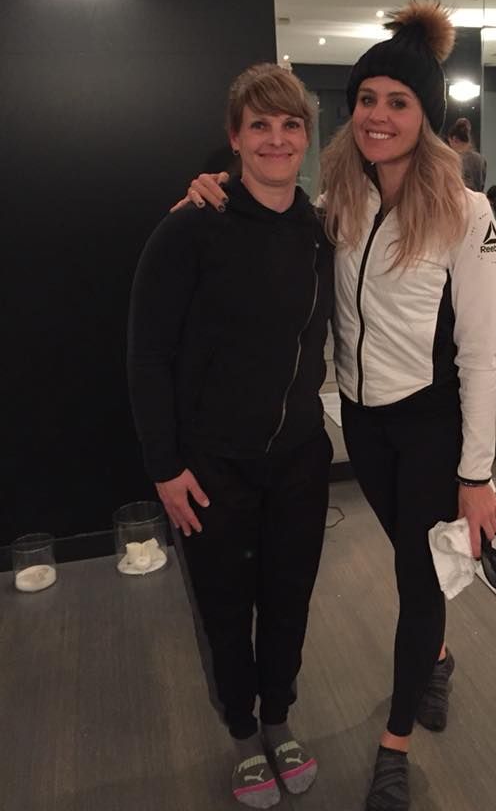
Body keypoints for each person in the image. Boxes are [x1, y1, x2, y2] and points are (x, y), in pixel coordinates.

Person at [182, 1, 496, 811]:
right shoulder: (339, 196)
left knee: (416, 574)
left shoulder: (468, 215)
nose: (379, 116)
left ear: (425, 116)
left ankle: (394, 744)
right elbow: (266, 200)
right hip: (357, 418)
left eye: (399, 102)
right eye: (368, 99)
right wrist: (211, 183)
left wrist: (478, 474)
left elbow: (480, 354)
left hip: (430, 421)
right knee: (413, 554)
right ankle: (436, 656)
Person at [127, 64, 334, 809]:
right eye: (260, 126)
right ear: (234, 138)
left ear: (307, 138)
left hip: (302, 459)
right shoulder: (192, 226)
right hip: (212, 464)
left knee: (288, 599)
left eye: (290, 126)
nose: (276, 139)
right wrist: (165, 465)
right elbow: (147, 354)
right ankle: (243, 730)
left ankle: (278, 718)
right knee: (224, 604)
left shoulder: (320, 230)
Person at [447, 116, 487, 192]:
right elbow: (481, 185)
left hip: (461, 200)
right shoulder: (481, 160)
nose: (450, 147)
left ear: (454, 139)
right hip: (478, 201)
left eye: (450, 143)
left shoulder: (454, 160)